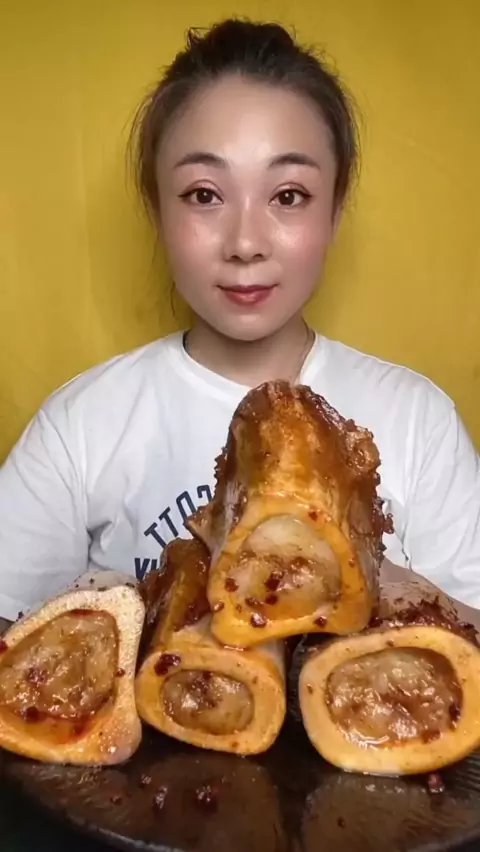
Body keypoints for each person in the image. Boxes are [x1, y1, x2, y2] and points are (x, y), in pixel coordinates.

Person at [0, 18, 479, 625]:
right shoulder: (82, 425)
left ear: (335, 210)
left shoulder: (417, 420)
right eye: (204, 194)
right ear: (157, 209)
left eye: (288, 196)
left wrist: (366, 577)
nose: (246, 242)